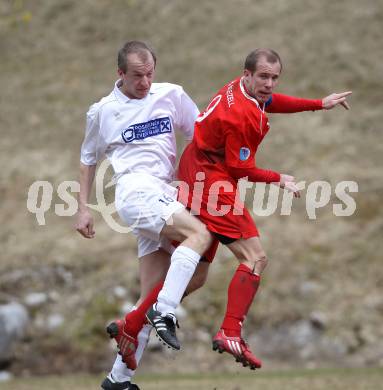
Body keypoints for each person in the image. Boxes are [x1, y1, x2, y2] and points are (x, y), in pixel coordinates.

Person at [122, 48, 352, 371]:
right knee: (255, 258)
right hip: (212, 181)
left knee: (197, 274)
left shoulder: (243, 89)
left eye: (274, 78)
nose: (269, 84)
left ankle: (131, 324)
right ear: (247, 75)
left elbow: (271, 102)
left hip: (196, 170)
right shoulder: (241, 116)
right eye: (263, 77)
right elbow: (240, 167)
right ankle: (231, 332)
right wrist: (278, 179)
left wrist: (318, 103)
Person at [75, 41, 214, 390]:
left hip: (164, 193)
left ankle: (118, 379)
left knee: (174, 285)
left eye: (150, 73)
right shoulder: (103, 111)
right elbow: (88, 158)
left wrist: (198, 181)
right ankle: (164, 311)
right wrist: (82, 208)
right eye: (137, 76)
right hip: (136, 193)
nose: (146, 82)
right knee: (200, 237)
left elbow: (201, 136)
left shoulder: (171, 95)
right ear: (120, 73)